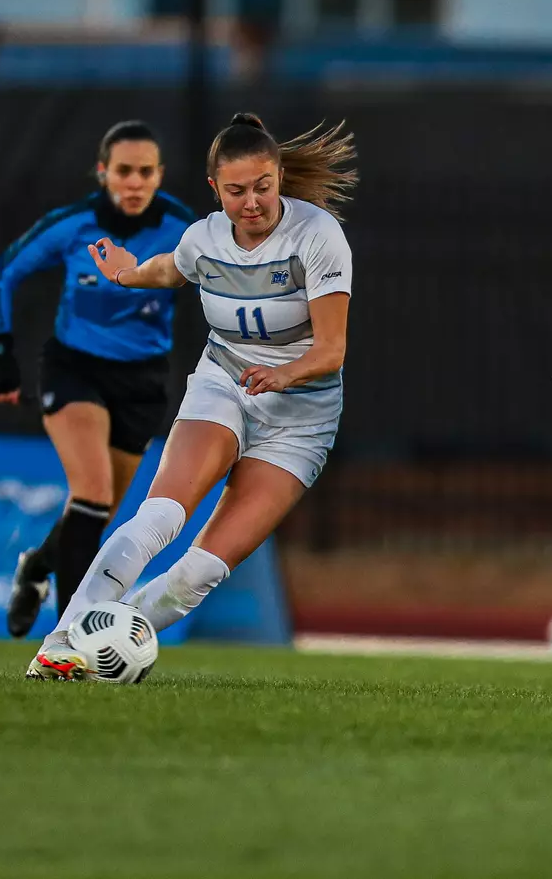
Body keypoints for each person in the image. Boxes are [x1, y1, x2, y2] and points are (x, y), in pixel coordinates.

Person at [26, 113, 357, 678]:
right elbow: (170, 270)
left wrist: (285, 373)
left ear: (279, 177)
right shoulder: (203, 237)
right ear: (214, 189)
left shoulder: (317, 235)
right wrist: (129, 274)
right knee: (160, 515)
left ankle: (104, 639)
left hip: (301, 417)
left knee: (198, 574)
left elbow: (331, 350)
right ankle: (62, 641)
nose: (251, 202)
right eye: (235, 191)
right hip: (224, 384)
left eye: (263, 186)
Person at [0, 121, 196, 637]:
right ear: (103, 173)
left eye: (145, 172)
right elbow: (3, 274)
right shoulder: (74, 224)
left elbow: (232, 269)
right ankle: (69, 636)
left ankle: (36, 567)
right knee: (92, 491)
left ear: (159, 175)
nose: (134, 182)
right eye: (123, 171)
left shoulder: (183, 227)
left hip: (143, 381)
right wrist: (2, 352)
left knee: (95, 514)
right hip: (74, 368)